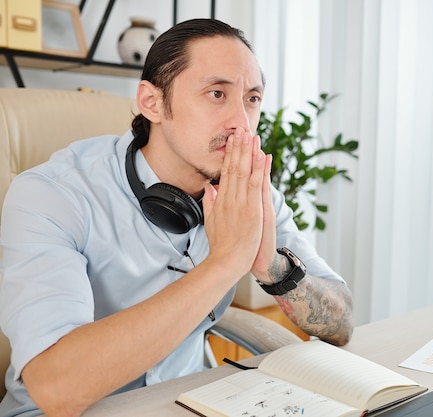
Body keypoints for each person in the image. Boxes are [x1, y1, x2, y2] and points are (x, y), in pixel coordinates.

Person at [0, 18, 353, 417]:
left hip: (190, 405)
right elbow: (55, 389)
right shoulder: (53, 193)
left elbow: (341, 325)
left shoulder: (247, 191)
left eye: (251, 98)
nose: (241, 123)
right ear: (152, 102)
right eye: (216, 93)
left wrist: (270, 265)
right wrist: (223, 264)